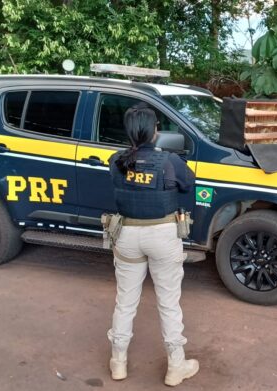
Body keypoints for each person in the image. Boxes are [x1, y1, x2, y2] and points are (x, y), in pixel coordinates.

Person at [107, 103, 199, 386]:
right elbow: (189, 184)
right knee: (169, 303)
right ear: (154, 131)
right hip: (162, 235)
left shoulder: (116, 160)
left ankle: (118, 363)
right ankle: (176, 366)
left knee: (125, 302)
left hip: (126, 235)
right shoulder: (170, 162)